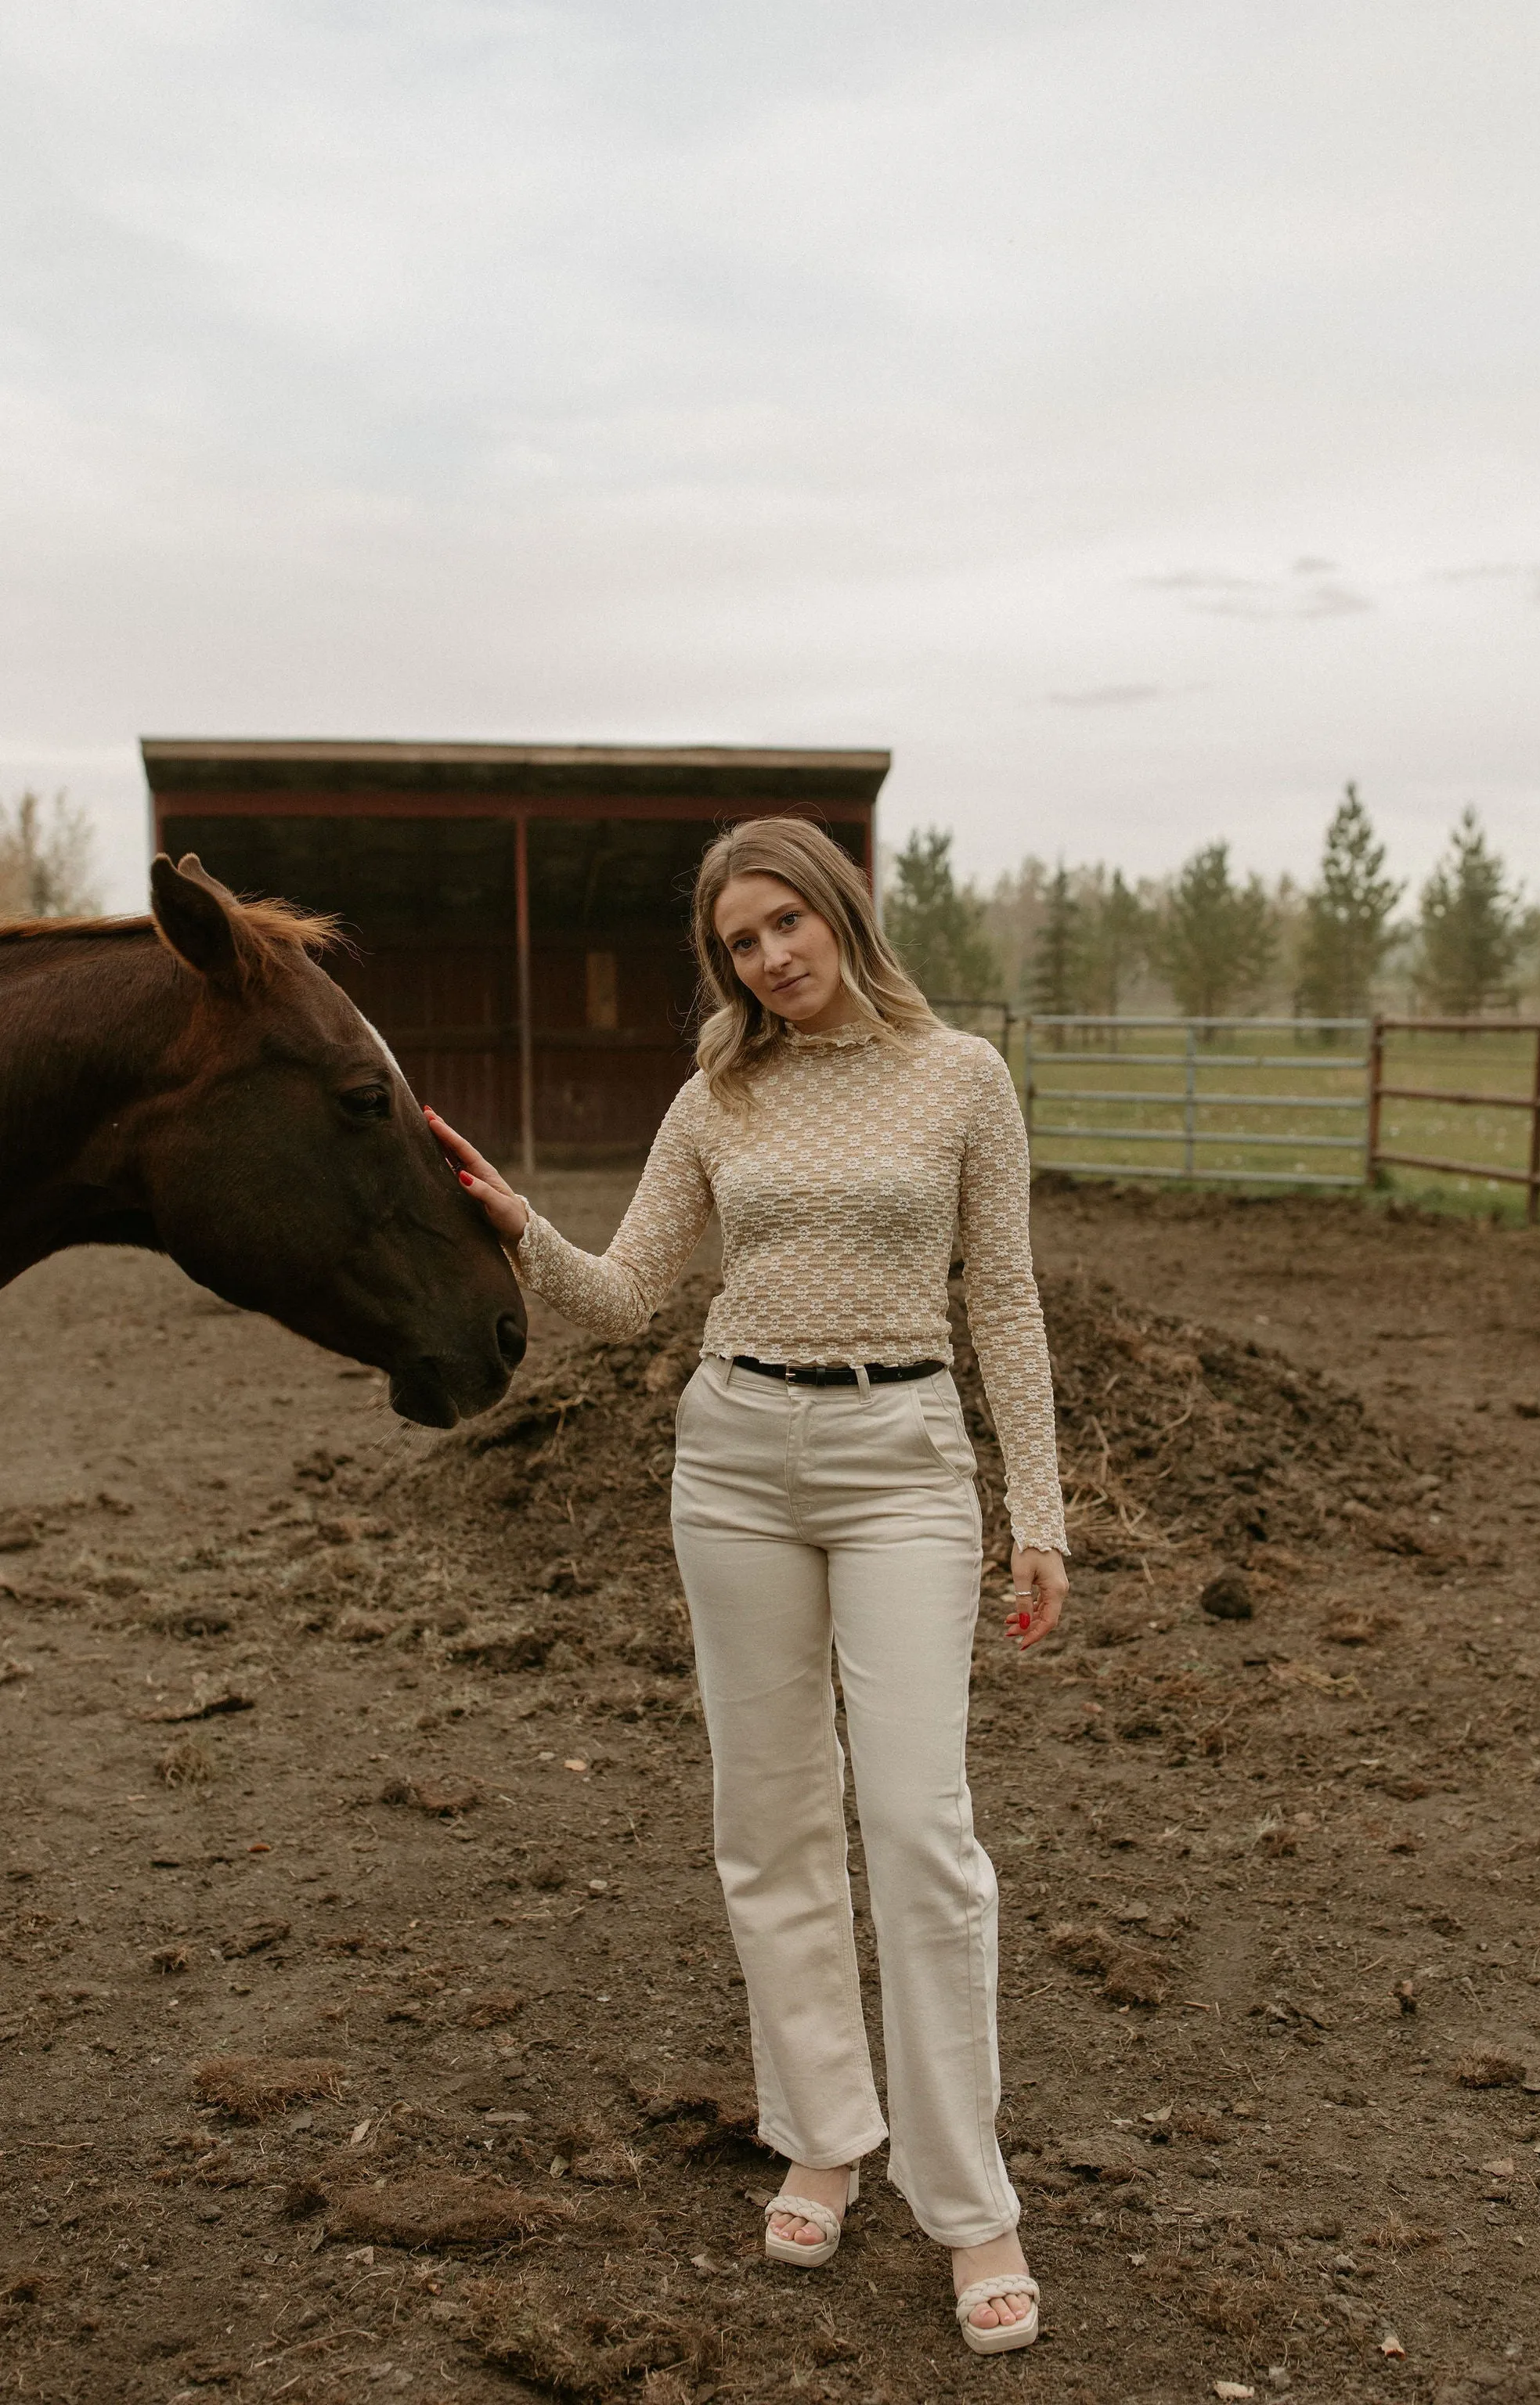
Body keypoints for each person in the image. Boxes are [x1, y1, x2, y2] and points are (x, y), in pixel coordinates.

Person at [427, 816, 1068, 2357]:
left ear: (838, 913)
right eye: (738, 943)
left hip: (902, 1453)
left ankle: (971, 2201)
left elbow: (1005, 1297)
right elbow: (633, 1295)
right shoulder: (716, 1095)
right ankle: (825, 2132)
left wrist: (1035, 1506)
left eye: (786, 923)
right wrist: (521, 1229)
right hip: (731, 1461)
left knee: (920, 1829)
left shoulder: (961, 1078)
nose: (769, 959)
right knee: (768, 1821)